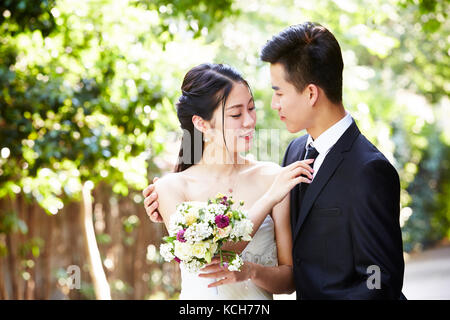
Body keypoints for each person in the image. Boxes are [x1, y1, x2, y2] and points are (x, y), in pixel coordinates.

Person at [145, 22, 406, 299]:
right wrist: (178, 219)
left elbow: (381, 277)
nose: (271, 105)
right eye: (236, 114)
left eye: (279, 92)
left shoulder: (369, 170)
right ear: (201, 124)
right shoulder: (295, 154)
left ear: (310, 93)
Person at [149, 63, 314, 299]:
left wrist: (251, 271)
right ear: (201, 124)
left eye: (251, 108)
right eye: (236, 114)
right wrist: (268, 200)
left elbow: (289, 280)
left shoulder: (273, 178)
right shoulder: (171, 188)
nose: (249, 121)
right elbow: (212, 258)